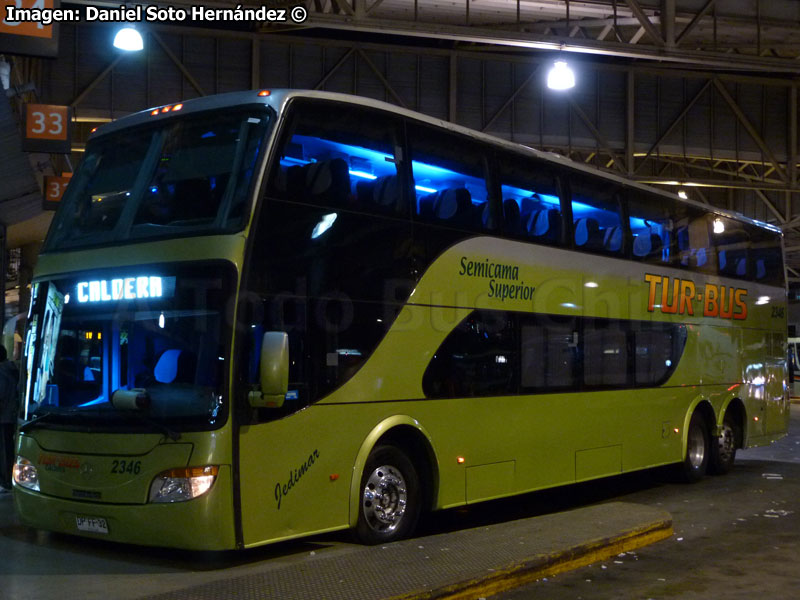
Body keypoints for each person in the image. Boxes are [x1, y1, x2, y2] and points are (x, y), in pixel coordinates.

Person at [0, 344, 19, 491]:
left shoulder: (1, 372)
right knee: (8, 448)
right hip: (11, 415)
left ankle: (6, 480)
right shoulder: (12, 370)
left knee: (4, 450)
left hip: (3, 417)